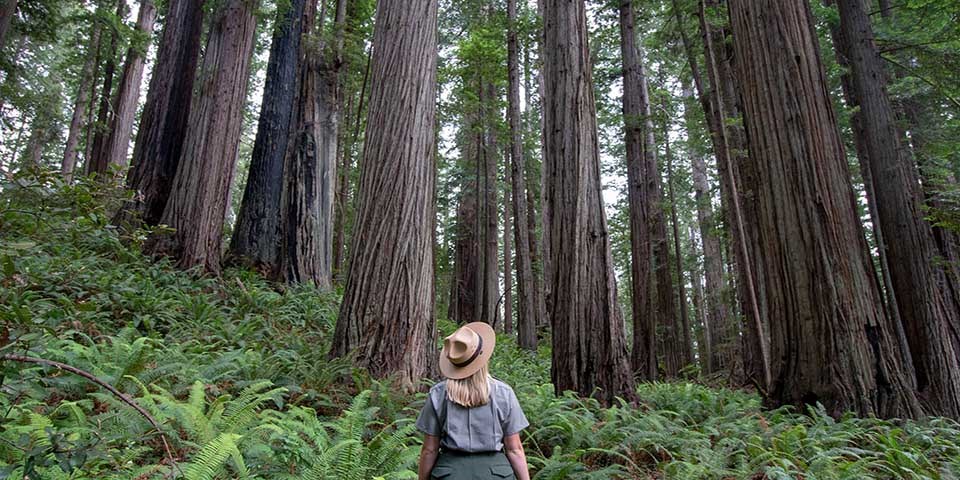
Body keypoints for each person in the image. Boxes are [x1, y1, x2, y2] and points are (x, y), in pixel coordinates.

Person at [416, 322, 531, 480]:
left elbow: (429, 450)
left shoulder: (438, 394)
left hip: (449, 474)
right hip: (497, 475)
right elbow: (514, 449)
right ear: (483, 358)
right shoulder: (504, 393)